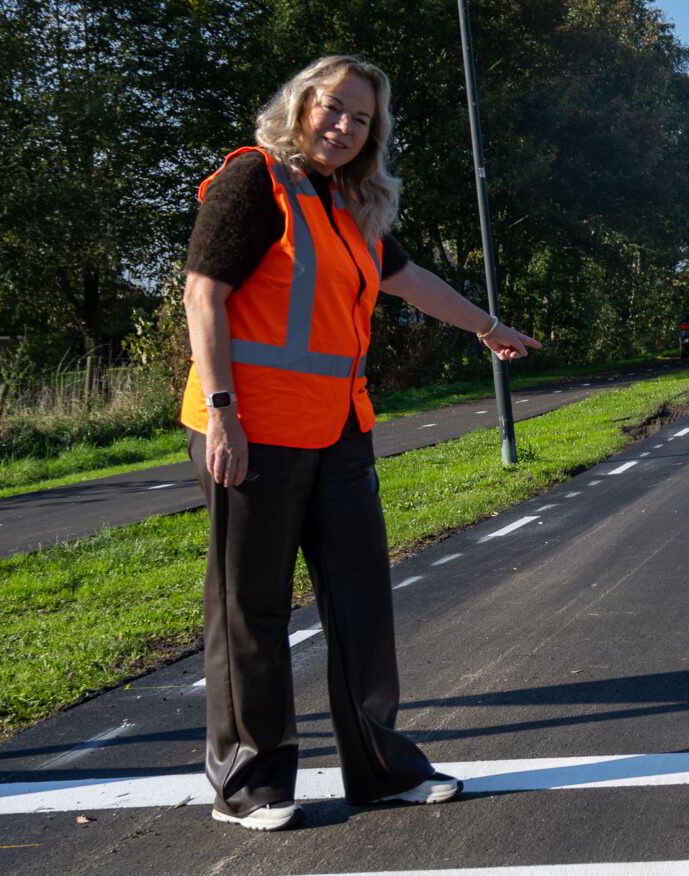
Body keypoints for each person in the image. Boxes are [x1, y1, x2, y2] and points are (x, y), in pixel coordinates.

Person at [181, 54, 540, 831]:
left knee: (361, 606)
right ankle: (251, 786)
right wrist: (221, 412)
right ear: (302, 103)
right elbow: (202, 293)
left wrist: (487, 328)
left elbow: (412, 282)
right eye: (334, 109)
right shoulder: (256, 181)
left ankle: (381, 772)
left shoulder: (353, 205)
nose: (345, 127)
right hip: (250, 429)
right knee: (251, 608)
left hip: (338, 431)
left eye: (362, 119)